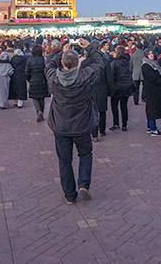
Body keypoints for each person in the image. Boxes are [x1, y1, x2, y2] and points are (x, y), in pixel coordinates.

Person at [45, 44, 104, 205]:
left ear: (63, 63)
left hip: (61, 124)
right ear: (79, 63)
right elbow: (99, 63)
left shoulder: (54, 76)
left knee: (64, 161)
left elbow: (49, 63)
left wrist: (61, 53)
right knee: (85, 154)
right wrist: (90, 47)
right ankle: (83, 184)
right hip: (82, 124)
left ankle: (69, 195)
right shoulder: (85, 75)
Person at [142, 48, 161, 136]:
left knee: (151, 108)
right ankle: (153, 129)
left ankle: (150, 127)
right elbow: (152, 78)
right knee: (151, 109)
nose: (151, 55)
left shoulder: (154, 63)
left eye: (152, 53)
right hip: (151, 90)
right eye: (149, 54)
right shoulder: (146, 65)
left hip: (155, 90)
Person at [108, 46, 133, 131]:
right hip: (126, 87)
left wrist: (111, 87)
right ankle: (124, 124)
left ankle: (116, 123)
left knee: (114, 106)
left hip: (116, 87)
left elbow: (111, 75)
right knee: (124, 106)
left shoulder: (114, 63)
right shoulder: (128, 62)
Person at [26, 44, 49, 122]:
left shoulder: (30, 60)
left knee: (35, 97)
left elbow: (27, 71)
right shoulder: (43, 59)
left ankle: (38, 111)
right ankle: (41, 111)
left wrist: (29, 79)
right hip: (42, 79)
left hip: (33, 79)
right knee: (42, 97)